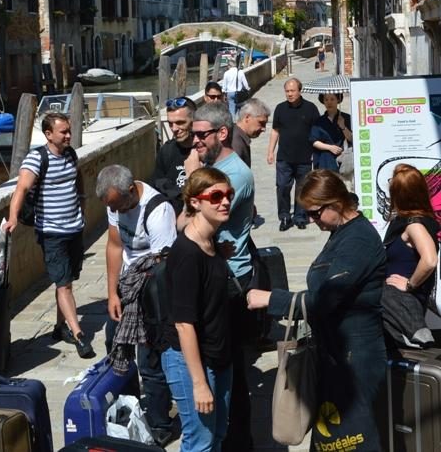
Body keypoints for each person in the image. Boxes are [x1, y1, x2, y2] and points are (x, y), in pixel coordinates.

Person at [248, 169, 387, 451]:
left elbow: (324, 300)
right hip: (337, 354)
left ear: (335, 203)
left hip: (354, 360)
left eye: (314, 213)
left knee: (350, 441)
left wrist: (271, 299)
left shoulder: (357, 240)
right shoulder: (342, 232)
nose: (311, 221)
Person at [185, 102, 255, 451]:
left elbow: (195, 226)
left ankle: (237, 441)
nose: (193, 141)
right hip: (219, 276)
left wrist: (189, 177)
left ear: (222, 133)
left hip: (232, 281)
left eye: (200, 135)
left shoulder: (234, 176)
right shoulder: (217, 169)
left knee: (232, 373)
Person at [97, 164, 178, 447]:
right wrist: (112, 294)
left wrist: (142, 307)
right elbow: (115, 246)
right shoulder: (115, 202)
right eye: (112, 208)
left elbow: (162, 267)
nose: (117, 212)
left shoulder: (158, 211)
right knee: (114, 345)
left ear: (131, 192)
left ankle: (160, 423)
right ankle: (128, 405)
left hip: (152, 291)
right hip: (127, 286)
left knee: (149, 360)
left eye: (119, 206)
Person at [6, 112, 94, 358]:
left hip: (74, 228)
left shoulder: (70, 154)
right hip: (51, 232)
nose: (68, 135)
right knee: (64, 283)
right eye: (63, 131)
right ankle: (79, 335)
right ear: (48, 134)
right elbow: (21, 189)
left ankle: (59, 327)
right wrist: (13, 218)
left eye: (69, 130)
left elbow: (77, 178)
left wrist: (83, 203)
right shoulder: (36, 159)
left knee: (67, 281)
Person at [161, 168, 233, 452]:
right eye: (215, 196)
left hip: (217, 355)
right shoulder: (188, 254)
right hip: (191, 360)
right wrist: (199, 383)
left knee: (216, 435)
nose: (225, 201)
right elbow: (183, 324)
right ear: (195, 202)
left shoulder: (210, 241)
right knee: (200, 442)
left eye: (228, 194)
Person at [382, 163, 439, 348]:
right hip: (397, 305)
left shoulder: (414, 225)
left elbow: (429, 261)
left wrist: (409, 285)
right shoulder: (408, 221)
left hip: (403, 307)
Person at [267, 77, 320, 231]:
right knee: (282, 186)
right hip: (284, 156)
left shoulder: (310, 108)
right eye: (287, 91)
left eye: (292, 91)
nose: (289, 94)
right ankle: (284, 216)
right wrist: (270, 151)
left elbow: (316, 132)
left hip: (304, 157)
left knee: (302, 188)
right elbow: (275, 130)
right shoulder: (280, 108)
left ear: (299, 90)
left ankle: (300, 216)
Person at [150, 96, 197, 215]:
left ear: (194, 121)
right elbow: (157, 184)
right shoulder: (166, 151)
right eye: (170, 124)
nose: (174, 129)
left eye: (180, 123)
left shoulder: (204, 150)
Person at [311, 92, 353, 171]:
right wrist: (330, 148)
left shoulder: (346, 117)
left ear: (338, 99)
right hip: (324, 158)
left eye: (332, 99)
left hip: (341, 156)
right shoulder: (319, 121)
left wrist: (343, 127)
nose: (329, 102)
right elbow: (314, 141)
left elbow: (351, 139)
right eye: (326, 100)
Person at [231, 97, 271, 168]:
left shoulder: (238, 136)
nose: (264, 129)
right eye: (261, 123)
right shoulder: (236, 143)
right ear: (247, 117)